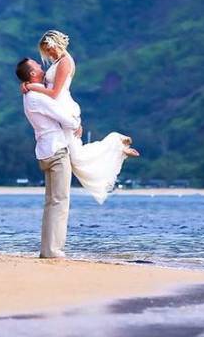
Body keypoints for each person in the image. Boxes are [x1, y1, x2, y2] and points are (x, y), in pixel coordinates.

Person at [22, 30, 138, 204]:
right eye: (46, 51)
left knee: (77, 157)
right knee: (76, 156)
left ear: (56, 45)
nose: (48, 54)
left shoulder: (65, 63)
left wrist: (32, 87)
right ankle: (117, 147)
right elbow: (46, 85)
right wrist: (27, 84)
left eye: (49, 50)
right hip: (57, 109)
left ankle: (117, 144)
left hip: (62, 107)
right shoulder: (57, 62)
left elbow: (54, 92)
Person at [17, 57, 81, 258]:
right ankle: (53, 250)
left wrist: (27, 85)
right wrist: (76, 123)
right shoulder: (37, 97)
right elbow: (63, 117)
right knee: (60, 201)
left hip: (45, 150)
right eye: (37, 65)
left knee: (51, 202)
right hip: (56, 150)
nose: (40, 65)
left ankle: (48, 249)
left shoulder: (30, 95)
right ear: (32, 74)